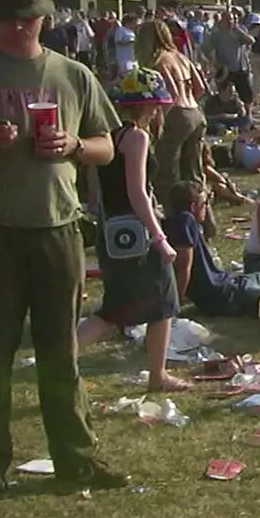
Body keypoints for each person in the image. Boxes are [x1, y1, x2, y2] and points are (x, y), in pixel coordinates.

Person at [0, 0, 129, 499]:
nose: (20, 29)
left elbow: (108, 146)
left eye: (29, 19)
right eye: (9, 20)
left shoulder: (72, 74)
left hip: (59, 225)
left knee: (60, 349)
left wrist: (74, 147)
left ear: (43, 18)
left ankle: (75, 460)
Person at [76, 66, 189, 392]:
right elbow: (137, 192)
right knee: (161, 302)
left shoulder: (108, 137)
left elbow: (97, 189)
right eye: (156, 105)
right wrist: (160, 235)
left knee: (119, 307)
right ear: (145, 104)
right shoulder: (136, 138)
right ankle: (157, 375)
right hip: (137, 233)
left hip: (112, 230)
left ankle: (61, 357)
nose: (159, 110)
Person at [163, 180, 260, 318]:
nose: (207, 208)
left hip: (230, 285)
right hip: (225, 295)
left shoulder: (176, 222)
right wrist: (174, 308)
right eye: (205, 204)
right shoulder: (185, 221)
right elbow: (183, 267)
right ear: (193, 207)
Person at [137, 18, 206, 205]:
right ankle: (202, 215)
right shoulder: (181, 57)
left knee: (168, 173)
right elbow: (200, 88)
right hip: (195, 112)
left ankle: (172, 215)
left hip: (176, 115)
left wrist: (160, 118)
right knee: (193, 171)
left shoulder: (157, 60)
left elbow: (170, 94)